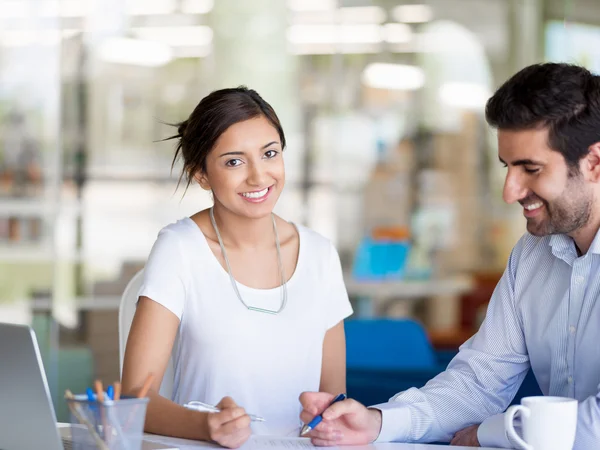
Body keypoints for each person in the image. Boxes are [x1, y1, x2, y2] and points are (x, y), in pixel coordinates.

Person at [299, 62, 600, 449]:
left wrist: (488, 434)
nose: (510, 191)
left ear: (593, 162)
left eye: (531, 168)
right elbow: (478, 382)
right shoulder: (532, 255)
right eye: (507, 167)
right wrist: (376, 423)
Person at [121, 87, 353, 448]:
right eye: (234, 161)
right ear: (201, 174)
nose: (259, 177)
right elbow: (134, 399)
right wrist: (207, 425)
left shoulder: (320, 256)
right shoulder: (180, 249)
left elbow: (332, 398)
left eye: (270, 154)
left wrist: (329, 419)